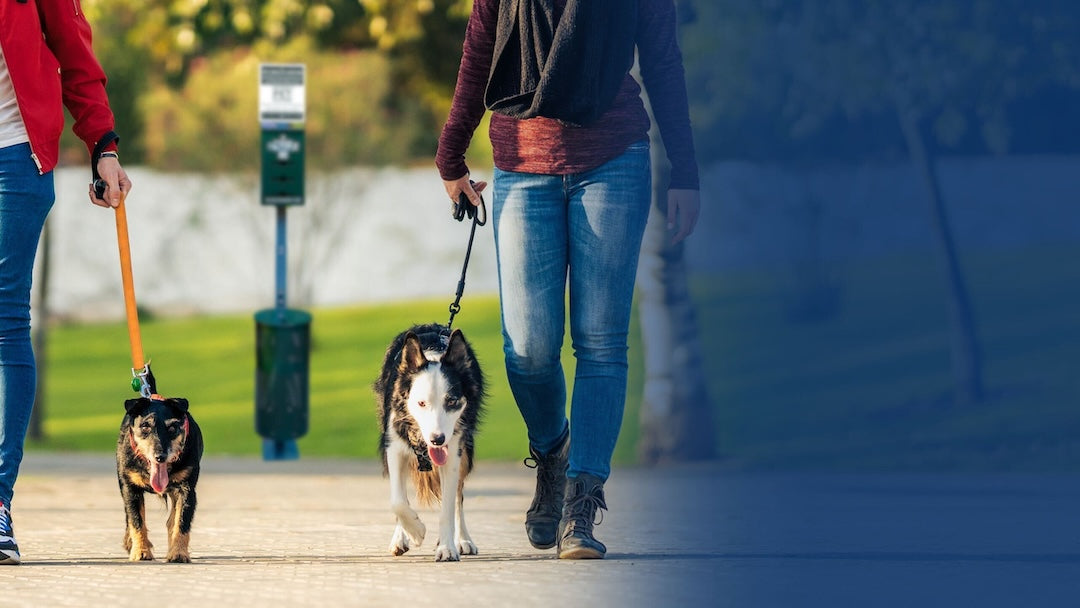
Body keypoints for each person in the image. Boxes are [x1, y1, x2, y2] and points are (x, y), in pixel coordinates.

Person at [436, 0, 699, 559]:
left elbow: (661, 60)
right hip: (522, 168)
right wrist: (450, 155)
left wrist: (685, 170)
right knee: (528, 349)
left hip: (614, 160)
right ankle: (553, 451)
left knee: (601, 341)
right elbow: (480, 49)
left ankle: (583, 500)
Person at [0, 1, 131, 565]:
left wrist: (102, 145)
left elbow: (75, 55)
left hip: (14, 159)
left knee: (4, 321)